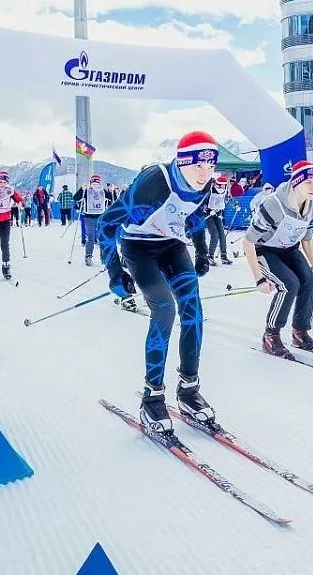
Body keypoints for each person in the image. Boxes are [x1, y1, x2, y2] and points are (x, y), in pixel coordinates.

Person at [97, 131, 217, 435]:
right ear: (182, 162)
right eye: (198, 165)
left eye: (211, 165)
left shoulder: (205, 183)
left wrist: (202, 251)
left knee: (193, 311)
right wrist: (115, 272)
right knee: (164, 311)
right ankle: (153, 396)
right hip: (138, 247)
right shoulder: (155, 181)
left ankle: (189, 389)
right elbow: (107, 224)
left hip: (172, 246)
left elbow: (194, 217)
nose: (205, 173)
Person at [243, 161, 313, 359]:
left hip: (289, 248)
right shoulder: (274, 204)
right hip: (264, 250)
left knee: (309, 282)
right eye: (308, 182)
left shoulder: (312, 206)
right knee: (289, 284)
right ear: (296, 182)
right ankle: (270, 334)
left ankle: (300, 332)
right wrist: (259, 279)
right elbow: (248, 243)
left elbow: (307, 238)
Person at [76, 173, 112, 266]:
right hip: (89, 217)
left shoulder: (103, 191)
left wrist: (111, 191)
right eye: (93, 184)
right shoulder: (87, 191)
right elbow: (75, 198)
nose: (95, 185)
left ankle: (103, 257)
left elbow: (112, 200)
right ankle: (88, 256)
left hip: (100, 217)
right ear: (90, 184)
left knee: (102, 237)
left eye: (97, 184)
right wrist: (81, 189)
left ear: (100, 184)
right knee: (91, 237)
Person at [205, 175, 231, 266]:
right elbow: (202, 202)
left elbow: (227, 199)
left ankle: (224, 256)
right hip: (208, 215)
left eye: (223, 186)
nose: (221, 188)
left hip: (217, 214)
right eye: (219, 185)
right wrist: (207, 210)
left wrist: (236, 204)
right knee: (215, 235)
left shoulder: (224, 191)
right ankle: (210, 256)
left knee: (222, 235)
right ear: (215, 184)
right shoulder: (209, 191)